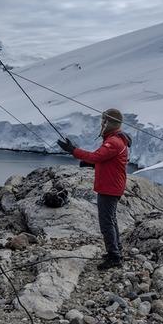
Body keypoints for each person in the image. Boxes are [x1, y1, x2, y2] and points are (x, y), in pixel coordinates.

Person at [57, 108, 131, 269]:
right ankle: (116, 249)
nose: (101, 124)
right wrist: (91, 164)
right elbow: (105, 160)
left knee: (106, 222)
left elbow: (96, 156)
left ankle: (114, 257)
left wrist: (72, 150)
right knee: (111, 219)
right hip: (112, 186)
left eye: (103, 121)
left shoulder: (113, 142)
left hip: (109, 187)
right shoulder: (116, 140)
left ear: (108, 122)